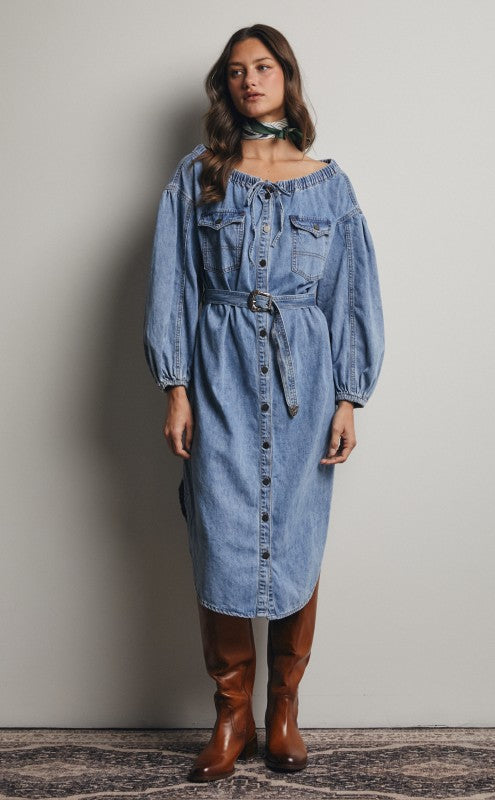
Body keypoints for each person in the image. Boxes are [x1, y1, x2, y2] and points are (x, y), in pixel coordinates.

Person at [143, 23, 385, 784]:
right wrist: (175, 386)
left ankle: (283, 710)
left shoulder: (329, 183)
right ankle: (230, 711)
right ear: (226, 86)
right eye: (238, 71)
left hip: (303, 384)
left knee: (295, 536)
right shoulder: (198, 176)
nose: (251, 80)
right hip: (216, 376)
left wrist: (349, 397)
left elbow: (350, 294)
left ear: (287, 76)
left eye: (264, 66)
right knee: (218, 536)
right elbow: (173, 284)